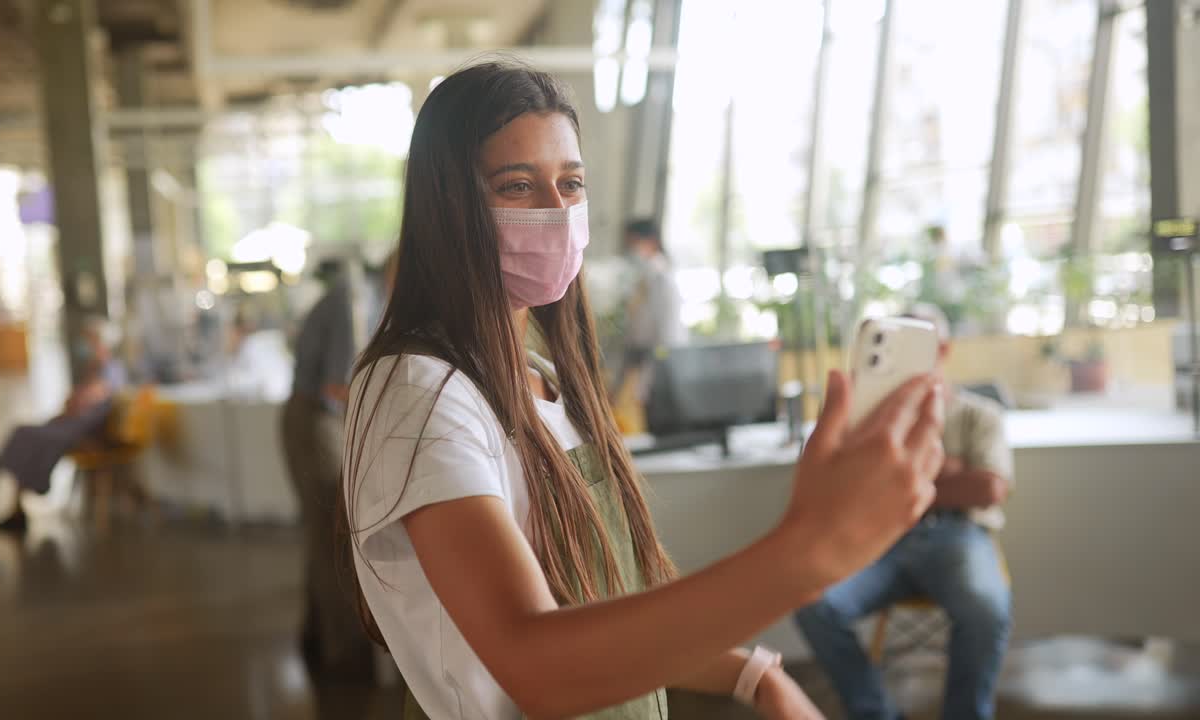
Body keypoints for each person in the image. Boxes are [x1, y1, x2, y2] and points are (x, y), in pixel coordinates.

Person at [344, 60, 946, 720]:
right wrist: (808, 550)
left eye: (571, 184)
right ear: (448, 206)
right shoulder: (421, 392)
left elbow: (610, 613)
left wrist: (753, 675)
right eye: (517, 186)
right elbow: (537, 665)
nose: (557, 211)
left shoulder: (548, 377)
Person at [794, 303, 1013, 720]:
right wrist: (949, 472)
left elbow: (989, 488)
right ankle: (874, 713)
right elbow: (839, 483)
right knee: (813, 603)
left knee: (986, 608)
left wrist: (894, 481)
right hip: (879, 537)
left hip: (957, 535)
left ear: (944, 350)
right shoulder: (865, 418)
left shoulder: (978, 414)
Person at [280, 257, 371, 683]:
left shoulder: (349, 297)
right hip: (316, 420)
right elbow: (338, 386)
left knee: (323, 534)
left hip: (313, 417)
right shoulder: (350, 298)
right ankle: (346, 655)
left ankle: (317, 638)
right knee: (334, 537)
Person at [0, 317, 127, 535]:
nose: (84, 344)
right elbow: (77, 401)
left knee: (28, 436)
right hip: (71, 425)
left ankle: (3, 483)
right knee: (26, 436)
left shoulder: (110, 369)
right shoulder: (94, 368)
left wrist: (76, 400)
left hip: (85, 432)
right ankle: (13, 504)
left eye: (89, 340)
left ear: (99, 342)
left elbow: (86, 399)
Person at [611, 218, 684, 406]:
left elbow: (667, 333)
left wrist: (648, 375)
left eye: (634, 243)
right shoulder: (644, 276)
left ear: (651, 242)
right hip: (638, 355)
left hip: (655, 361)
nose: (631, 249)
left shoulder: (663, 279)